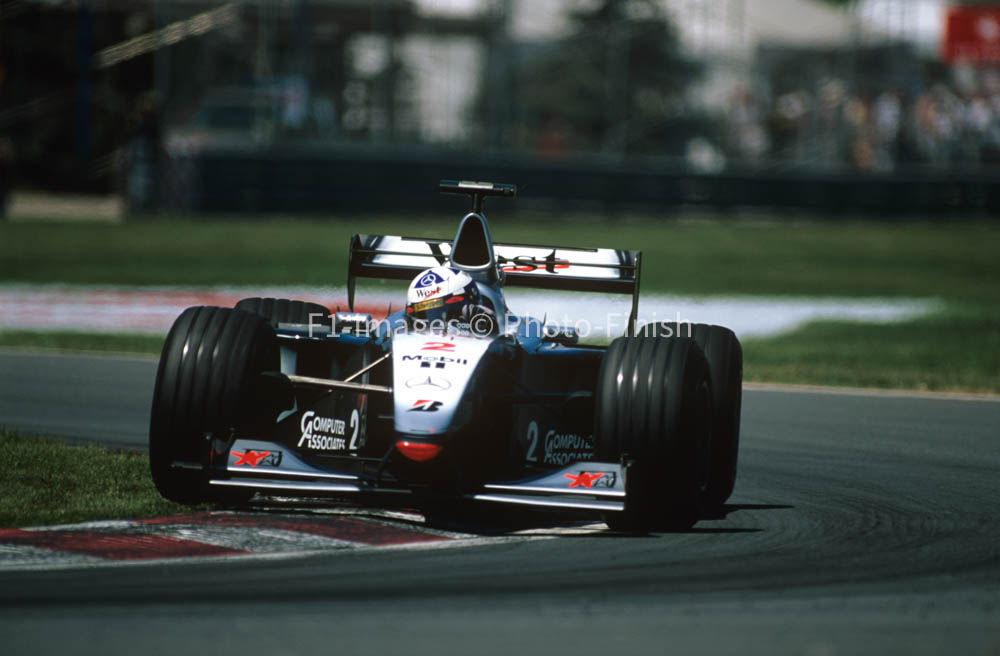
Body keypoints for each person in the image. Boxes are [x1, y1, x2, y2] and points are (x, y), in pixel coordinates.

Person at [405, 266, 497, 334]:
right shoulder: (397, 327)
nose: (435, 325)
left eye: (441, 311)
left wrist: (488, 325)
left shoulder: (491, 322)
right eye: (423, 313)